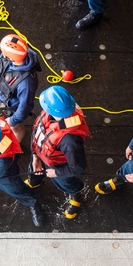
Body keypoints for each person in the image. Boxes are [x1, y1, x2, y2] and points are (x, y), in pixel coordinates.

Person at [26, 86, 91, 219]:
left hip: (57, 165)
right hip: (41, 153)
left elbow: (77, 167)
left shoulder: (70, 140)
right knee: (33, 170)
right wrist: (35, 156)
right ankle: (35, 180)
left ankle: (75, 193)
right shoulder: (52, 113)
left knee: (66, 182)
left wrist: (56, 173)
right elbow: (37, 130)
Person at [0, 33, 40, 142]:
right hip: (7, 94)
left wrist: (13, 120)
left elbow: (25, 106)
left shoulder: (26, 84)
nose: (2, 54)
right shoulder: (14, 56)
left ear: (11, 57)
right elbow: (0, 63)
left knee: (16, 127)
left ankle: (16, 143)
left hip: (14, 107)